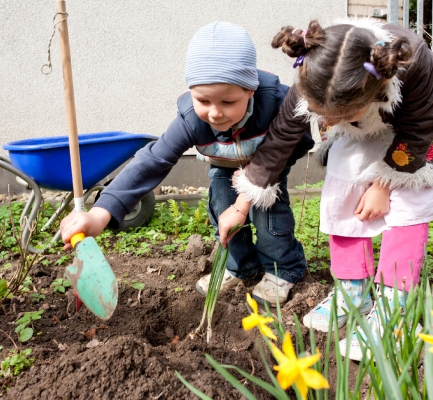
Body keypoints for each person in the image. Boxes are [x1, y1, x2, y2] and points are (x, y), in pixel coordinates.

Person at [219, 18, 433, 360]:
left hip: (416, 134)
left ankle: (395, 308)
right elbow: (280, 140)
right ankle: (353, 290)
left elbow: (422, 129)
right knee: (341, 197)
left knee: (409, 207)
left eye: (337, 114)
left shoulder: (412, 64)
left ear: (377, 91)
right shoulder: (318, 69)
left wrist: (383, 184)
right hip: (360, 128)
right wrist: (242, 204)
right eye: (321, 114)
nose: (326, 122)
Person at [59, 21, 314, 306]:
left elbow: (293, 142)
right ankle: (241, 265)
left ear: (250, 91)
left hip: (270, 164)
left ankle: (283, 268)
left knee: (268, 214)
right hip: (226, 164)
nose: (215, 113)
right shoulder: (192, 119)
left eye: (228, 101)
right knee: (221, 207)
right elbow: (153, 160)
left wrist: (247, 196)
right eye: (203, 99)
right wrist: (100, 213)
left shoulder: (277, 104)